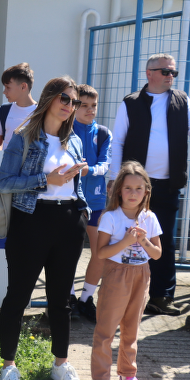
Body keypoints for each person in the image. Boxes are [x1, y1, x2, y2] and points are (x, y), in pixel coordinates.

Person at [109, 53, 190, 316]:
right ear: (149, 73)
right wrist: (114, 178)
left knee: (164, 241)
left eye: (173, 72)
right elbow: (118, 141)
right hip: (133, 187)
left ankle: (161, 296)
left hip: (167, 185)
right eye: (165, 71)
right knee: (127, 238)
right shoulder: (131, 103)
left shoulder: (181, 100)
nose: (170, 76)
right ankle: (123, 294)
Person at [0, 76, 90, 380]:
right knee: (18, 296)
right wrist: (45, 180)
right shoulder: (23, 137)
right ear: (50, 98)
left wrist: (82, 211)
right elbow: (5, 182)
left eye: (74, 102)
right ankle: (8, 366)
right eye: (65, 99)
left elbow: (74, 184)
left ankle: (61, 364)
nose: (69, 106)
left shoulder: (73, 140)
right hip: (31, 220)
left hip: (68, 222)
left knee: (61, 300)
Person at [89, 161, 162, 380]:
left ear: (146, 191)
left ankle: (127, 378)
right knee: (106, 329)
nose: (133, 193)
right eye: (128, 188)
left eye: (138, 188)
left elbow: (157, 254)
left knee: (131, 329)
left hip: (141, 275)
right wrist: (126, 241)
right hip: (116, 275)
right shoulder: (110, 217)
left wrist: (143, 241)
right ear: (118, 190)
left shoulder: (150, 218)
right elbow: (101, 252)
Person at [69, 84, 110, 322]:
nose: (90, 110)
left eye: (94, 105)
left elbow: (106, 165)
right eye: (84, 105)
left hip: (96, 202)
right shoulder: (64, 130)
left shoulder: (103, 133)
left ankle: (86, 299)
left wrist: (89, 170)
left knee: (100, 253)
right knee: (67, 252)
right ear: (74, 106)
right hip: (70, 201)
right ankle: (69, 298)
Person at [0, 62, 36, 150]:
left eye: (8, 87)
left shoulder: (41, 112)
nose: (4, 92)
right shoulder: (4, 110)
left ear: (23, 87)